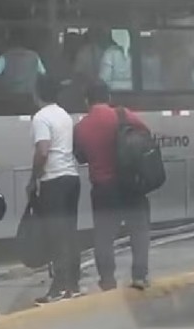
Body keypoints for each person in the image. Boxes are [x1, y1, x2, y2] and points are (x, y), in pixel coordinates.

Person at [73, 81, 150, 292]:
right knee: (139, 231)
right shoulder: (122, 115)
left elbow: (80, 157)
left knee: (104, 236)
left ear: (86, 100)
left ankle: (107, 280)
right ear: (108, 97)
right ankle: (139, 276)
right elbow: (145, 133)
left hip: (103, 188)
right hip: (131, 184)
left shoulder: (81, 127)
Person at [27, 76, 81, 304]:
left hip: (54, 180)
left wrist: (33, 178)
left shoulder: (41, 117)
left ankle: (58, 288)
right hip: (71, 178)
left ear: (37, 93)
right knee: (70, 231)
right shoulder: (64, 114)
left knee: (56, 235)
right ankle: (74, 284)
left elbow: (43, 151)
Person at [0, 30, 46, 96]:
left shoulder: (6, 57)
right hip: (30, 96)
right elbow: (43, 74)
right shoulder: (34, 56)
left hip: (11, 97)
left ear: (10, 42)